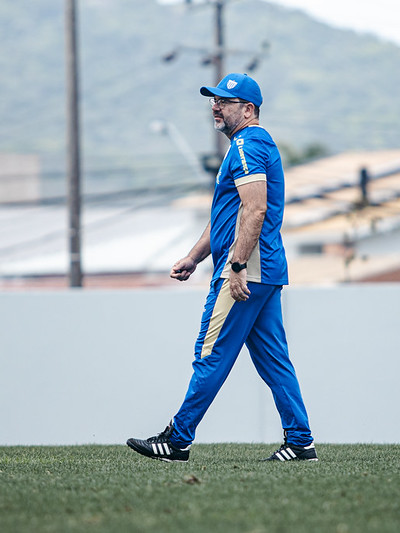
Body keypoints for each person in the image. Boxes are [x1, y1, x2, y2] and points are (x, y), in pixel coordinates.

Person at [126, 73, 316, 462]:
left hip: (248, 270)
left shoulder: (249, 143)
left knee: (211, 352)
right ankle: (300, 443)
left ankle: (177, 440)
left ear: (248, 110)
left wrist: (236, 265)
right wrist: (194, 257)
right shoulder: (245, 146)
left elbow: (255, 208)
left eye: (225, 101)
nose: (215, 105)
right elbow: (228, 216)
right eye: (213, 99)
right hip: (263, 270)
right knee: (274, 359)